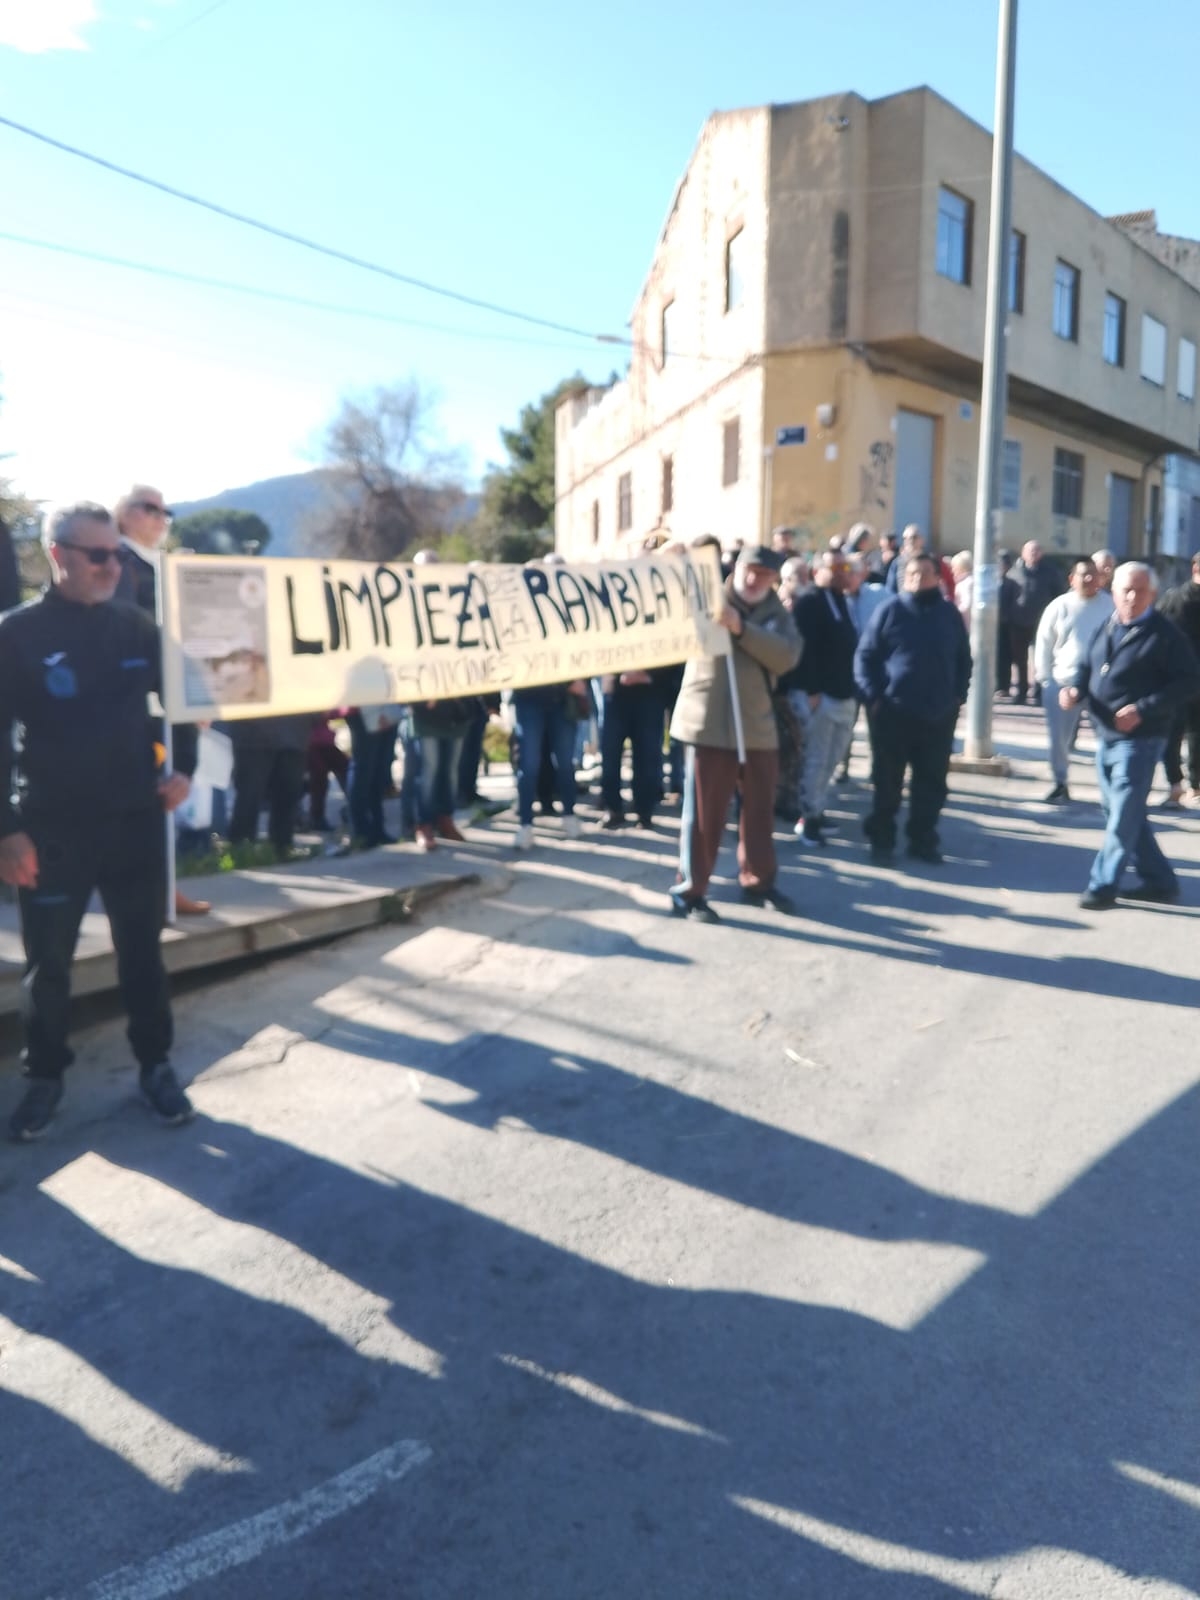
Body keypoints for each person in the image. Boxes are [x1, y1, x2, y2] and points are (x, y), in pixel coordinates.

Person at [0, 503, 196, 1140]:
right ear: (58, 555)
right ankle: (44, 1078)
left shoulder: (135, 626)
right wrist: (6, 829)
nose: (114, 566)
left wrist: (184, 769)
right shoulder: (16, 634)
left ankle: (156, 1066)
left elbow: (187, 696)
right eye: (99, 555)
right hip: (51, 829)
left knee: (142, 954)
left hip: (134, 821)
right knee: (49, 964)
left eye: (117, 554)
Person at [669, 544, 801, 920]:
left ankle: (758, 881)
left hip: (756, 726)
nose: (755, 579)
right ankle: (690, 891)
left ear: (774, 579)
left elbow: (786, 656)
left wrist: (741, 628)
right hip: (709, 724)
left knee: (759, 811)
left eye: (765, 574)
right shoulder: (705, 596)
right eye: (750, 570)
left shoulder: (777, 613)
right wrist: (672, 563)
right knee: (703, 816)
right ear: (736, 568)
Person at [1063, 563, 1200, 909]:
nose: (1131, 597)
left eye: (1140, 591)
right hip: (1106, 733)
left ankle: (1102, 885)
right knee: (1121, 811)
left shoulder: (1164, 635)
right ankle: (1160, 880)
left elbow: (1188, 682)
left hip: (1141, 738)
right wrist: (1075, 690)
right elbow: (1086, 666)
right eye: (1125, 590)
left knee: (1123, 813)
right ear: (1114, 592)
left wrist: (1143, 708)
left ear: (1152, 595)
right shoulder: (1107, 625)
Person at [112, 482, 212, 917]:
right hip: (139, 705)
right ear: (123, 512)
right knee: (148, 798)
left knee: (163, 796)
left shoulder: (157, 564)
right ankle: (153, 893)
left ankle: (161, 889)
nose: (160, 518)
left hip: (166, 700)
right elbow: (134, 637)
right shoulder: (118, 563)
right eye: (148, 508)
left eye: (164, 511)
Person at [854, 552, 972, 865]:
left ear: (937, 577)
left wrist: (958, 696)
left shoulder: (948, 614)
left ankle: (922, 840)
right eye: (912, 574)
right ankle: (882, 840)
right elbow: (865, 657)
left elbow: (963, 658)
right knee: (887, 781)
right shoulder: (890, 610)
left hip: (938, 715)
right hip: (893, 713)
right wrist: (873, 697)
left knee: (931, 782)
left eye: (924, 573)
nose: (917, 579)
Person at [790, 550, 859, 847]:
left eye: (846, 567)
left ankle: (817, 809)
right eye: (836, 567)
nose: (843, 572)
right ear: (817, 571)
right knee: (815, 760)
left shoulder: (842, 600)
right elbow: (803, 649)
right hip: (819, 696)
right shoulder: (810, 602)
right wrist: (812, 691)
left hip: (843, 692)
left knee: (832, 758)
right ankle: (808, 818)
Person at [1032, 558, 1113, 802]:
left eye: (1093, 574)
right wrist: (1045, 678)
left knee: (1108, 737)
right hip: (1063, 682)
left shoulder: (1110, 605)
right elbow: (1044, 643)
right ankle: (1060, 781)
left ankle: (1110, 786)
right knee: (1059, 738)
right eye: (1083, 574)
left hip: (1101, 685)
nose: (1088, 579)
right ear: (1071, 579)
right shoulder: (1059, 606)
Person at [228, 713, 312, 858]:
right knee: (249, 797)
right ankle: (240, 852)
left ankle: (282, 849)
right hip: (253, 732)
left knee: (288, 796)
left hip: (293, 731)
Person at [1155, 552, 1200, 805]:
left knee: (1182, 733)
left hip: (1178, 677)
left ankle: (1185, 784)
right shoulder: (1174, 599)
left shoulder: (1172, 597)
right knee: (1177, 732)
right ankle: (1180, 784)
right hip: (1178, 678)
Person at [1006, 540, 1062, 704]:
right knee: (1020, 660)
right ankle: (1022, 692)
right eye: (1030, 551)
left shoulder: (1050, 572)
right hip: (1018, 622)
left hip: (1041, 622)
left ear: (1041, 553)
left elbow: (1057, 594)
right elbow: (1007, 596)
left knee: (1041, 658)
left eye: (1036, 550)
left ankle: (1039, 692)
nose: (1033, 553)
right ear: (1023, 553)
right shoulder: (1014, 572)